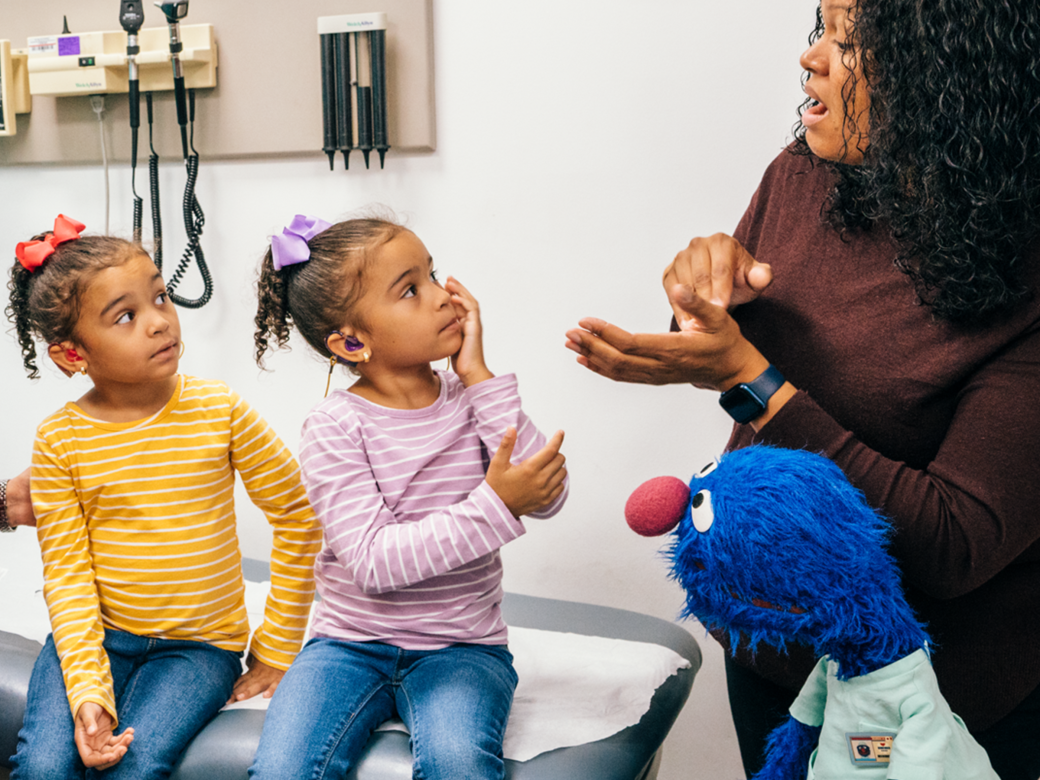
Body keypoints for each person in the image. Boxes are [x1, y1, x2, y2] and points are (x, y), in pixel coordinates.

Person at [565, 1, 1040, 778]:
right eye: (817, 28)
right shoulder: (802, 177)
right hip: (772, 654)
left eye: (848, 43)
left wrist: (748, 380)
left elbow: (955, 545)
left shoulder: (1026, 273)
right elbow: (744, 340)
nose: (809, 59)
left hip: (938, 708)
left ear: (948, 74)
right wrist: (703, 296)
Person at [248, 214, 569, 779]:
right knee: (282, 770)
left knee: (459, 766)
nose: (443, 296)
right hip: (347, 647)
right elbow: (373, 561)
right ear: (352, 342)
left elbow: (546, 493)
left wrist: (478, 375)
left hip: (464, 650)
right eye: (411, 289)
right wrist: (495, 506)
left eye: (433, 274)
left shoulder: (472, 397)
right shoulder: (334, 426)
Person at [4, 215, 323, 779]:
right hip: (98, 634)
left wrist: (276, 646)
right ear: (72, 355)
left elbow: (299, 515)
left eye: (160, 297)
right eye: (126, 315)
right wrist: (87, 693)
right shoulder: (60, 440)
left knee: (137, 767)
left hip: (199, 650)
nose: (159, 322)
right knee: (43, 766)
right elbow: (68, 574)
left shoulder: (219, 411)